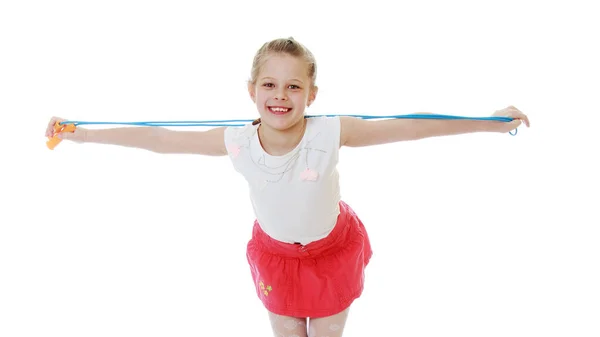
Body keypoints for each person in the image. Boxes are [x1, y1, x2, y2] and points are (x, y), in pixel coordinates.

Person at [45, 37, 530, 336]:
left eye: (294, 86)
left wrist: (487, 122)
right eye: (270, 85)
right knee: (285, 329)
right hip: (276, 256)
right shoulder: (237, 141)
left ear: (311, 94)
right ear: (251, 90)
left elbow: (410, 127)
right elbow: (157, 140)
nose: (281, 95)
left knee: (327, 329)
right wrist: (80, 131)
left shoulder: (332, 131)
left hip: (331, 252)